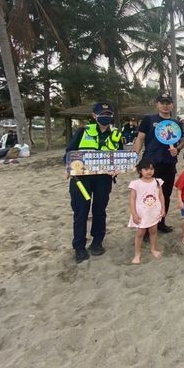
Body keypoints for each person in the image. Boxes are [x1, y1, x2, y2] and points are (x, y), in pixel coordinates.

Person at [64, 101, 123, 263]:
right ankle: (79, 247)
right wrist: (68, 167)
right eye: (102, 114)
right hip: (81, 179)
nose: (106, 117)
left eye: (109, 114)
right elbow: (69, 152)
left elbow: (120, 156)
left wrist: (117, 168)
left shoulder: (116, 135)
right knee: (81, 212)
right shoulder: (83, 131)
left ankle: (97, 242)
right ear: (94, 115)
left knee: (99, 210)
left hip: (103, 178)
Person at [133, 93, 184, 234]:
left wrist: (178, 150)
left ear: (172, 105)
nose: (165, 105)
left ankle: (161, 223)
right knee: (147, 195)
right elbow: (140, 139)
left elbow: (182, 142)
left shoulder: (176, 123)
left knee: (165, 195)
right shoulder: (149, 120)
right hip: (150, 164)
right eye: (162, 102)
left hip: (169, 163)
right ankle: (145, 226)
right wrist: (133, 157)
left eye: (168, 102)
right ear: (157, 104)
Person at [128, 159, 165, 264]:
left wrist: (163, 208)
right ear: (140, 171)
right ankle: (137, 253)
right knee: (140, 233)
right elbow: (132, 199)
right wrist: (134, 214)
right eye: (146, 169)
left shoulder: (157, 181)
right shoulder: (135, 184)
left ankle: (153, 249)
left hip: (154, 211)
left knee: (153, 231)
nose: (149, 171)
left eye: (151, 169)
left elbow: (161, 195)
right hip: (142, 213)